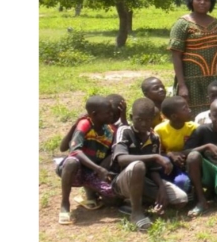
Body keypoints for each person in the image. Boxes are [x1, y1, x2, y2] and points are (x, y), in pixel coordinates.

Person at [111, 98, 190, 231]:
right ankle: (136, 213)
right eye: (139, 119)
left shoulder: (154, 137)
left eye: (147, 120)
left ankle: (135, 203)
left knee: (181, 200)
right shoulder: (125, 131)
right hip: (122, 182)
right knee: (138, 166)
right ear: (131, 117)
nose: (143, 123)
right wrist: (155, 156)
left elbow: (153, 168)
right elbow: (121, 159)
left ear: (153, 118)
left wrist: (161, 187)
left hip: (144, 181)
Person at [170, 0, 217, 117]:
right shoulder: (182, 24)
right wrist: (182, 85)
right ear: (191, 0)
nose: (202, 2)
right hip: (192, 83)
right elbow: (176, 56)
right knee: (193, 117)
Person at [56, 96, 116, 225]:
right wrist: (99, 169)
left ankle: (90, 193)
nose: (112, 114)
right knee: (72, 162)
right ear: (94, 114)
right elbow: (73, 151)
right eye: (108, 112)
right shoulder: (85, 124)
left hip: (92, 174)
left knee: (113, 199)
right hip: (76, 172)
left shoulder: (110, 130)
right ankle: (65, 204)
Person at [154, 96, 196, 193]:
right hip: (168, 165)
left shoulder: (194, 128)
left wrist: (181, 154)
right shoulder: (159, 130)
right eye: (185, 109)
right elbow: (157, 153)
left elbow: (196, 150)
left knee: (182, 182)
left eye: (188, 107)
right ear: (174, 116)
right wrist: (170, 154)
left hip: (187, 165)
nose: (189, 110)